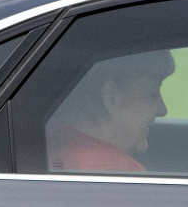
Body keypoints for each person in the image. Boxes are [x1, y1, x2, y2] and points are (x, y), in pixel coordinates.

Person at [46, 50, 175, 172]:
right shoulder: (119, 171)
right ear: (111, 95)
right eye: (152, 93)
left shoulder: (46, 144)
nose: (163, 109)